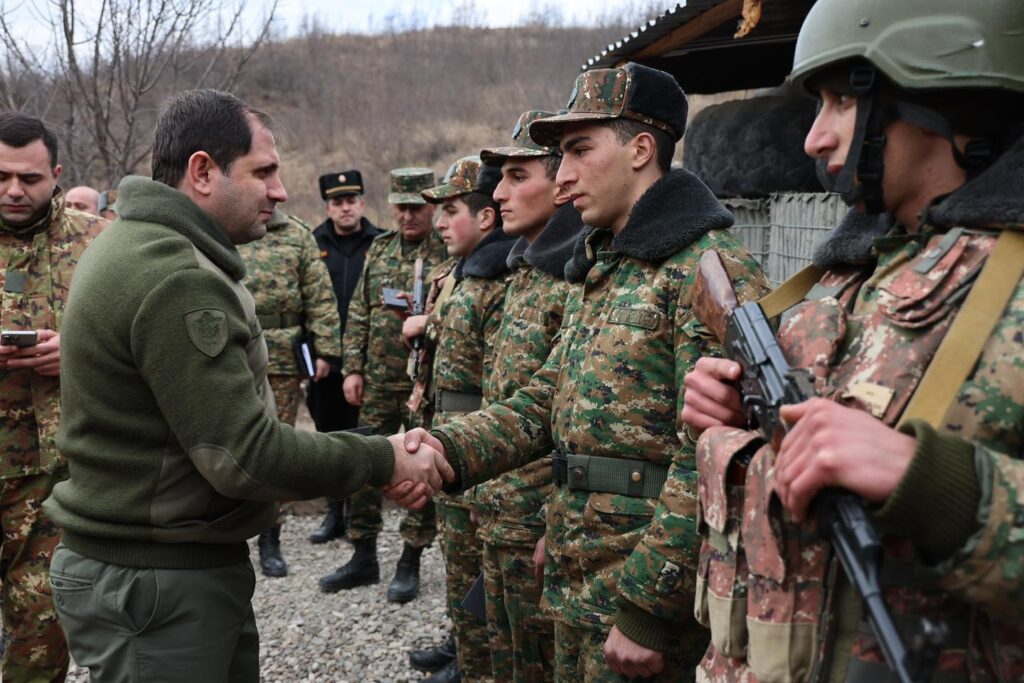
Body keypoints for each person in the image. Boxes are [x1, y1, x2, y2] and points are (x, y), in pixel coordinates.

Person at [42, 89, 451, 681]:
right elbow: (243, 455)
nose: (280, 192)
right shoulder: (175, 274)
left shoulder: (140, 244)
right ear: (203, 171)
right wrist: (382, 457)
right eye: (263, 172)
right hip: (157, 582)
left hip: (165, 569)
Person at [680, 1, 1024, 680]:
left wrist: (934, 483)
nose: (814, 138)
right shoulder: (844, 277)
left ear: (937, 97)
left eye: (842, 101)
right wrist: (739, 410)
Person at [402, 63, 770, 681]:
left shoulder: (708, 272)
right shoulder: (606, 267)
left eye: (579, 151)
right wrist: (443, 450)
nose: (563, 175)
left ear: (641, 150)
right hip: (579, 576)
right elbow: (544, 401)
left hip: (639, 597)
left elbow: (714, 456)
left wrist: (648, 609)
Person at [472, 109, 586, 683]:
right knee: (508, 660)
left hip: (537, 522)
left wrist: (550, 525)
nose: (498, 194)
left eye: (518, 177)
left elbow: (571, 417)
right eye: (502, 178)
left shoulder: (575, 276)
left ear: (560, 186)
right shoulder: (524, 270)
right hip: (501, 510)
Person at [0, 112, 105, 683]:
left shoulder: (100, 243)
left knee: (42, 627)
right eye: (1, 176)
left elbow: (146, 338)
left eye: (30, 178)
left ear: (57, 175)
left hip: (54, 477)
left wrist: (81, 352)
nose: (15, 190)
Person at [404, 155, 516, 683]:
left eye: (451, 211)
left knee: (478, 571)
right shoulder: (465, 274)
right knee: (460, 566)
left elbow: (499, 391)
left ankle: (477, 662)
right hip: (452, 442)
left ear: (486, 217)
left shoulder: (499, 280)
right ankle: (464, 647)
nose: (440, 223)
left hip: (476, 454)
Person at [320, 168, 446, 600]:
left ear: (430, 208)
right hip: (376, 380)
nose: (407, 216)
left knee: (420, 470)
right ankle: (363, 555)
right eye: (400, 208)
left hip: (423, 385)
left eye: (416, 208)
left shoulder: (446, 250)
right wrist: (353, 369)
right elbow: (359, 312)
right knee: (365, 462)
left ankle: (410, 558)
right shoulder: (381, 248)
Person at [237, 208, 342, 577]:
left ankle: (271, 536)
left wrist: (326, 349)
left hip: (280, 355)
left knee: (274, 446)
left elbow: (319, 294)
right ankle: (226, 529)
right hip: (229, 349)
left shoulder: (296, 233)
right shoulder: (225, 224)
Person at [305, 169, 383, 433]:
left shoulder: (381, 243)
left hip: (368, 362)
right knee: (328, 435)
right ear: (328, 208)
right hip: (325, 363)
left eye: (351, 201)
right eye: (337, 203)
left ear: (362, 204)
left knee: (367, 435)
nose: (345, 208)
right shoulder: (312, 245)